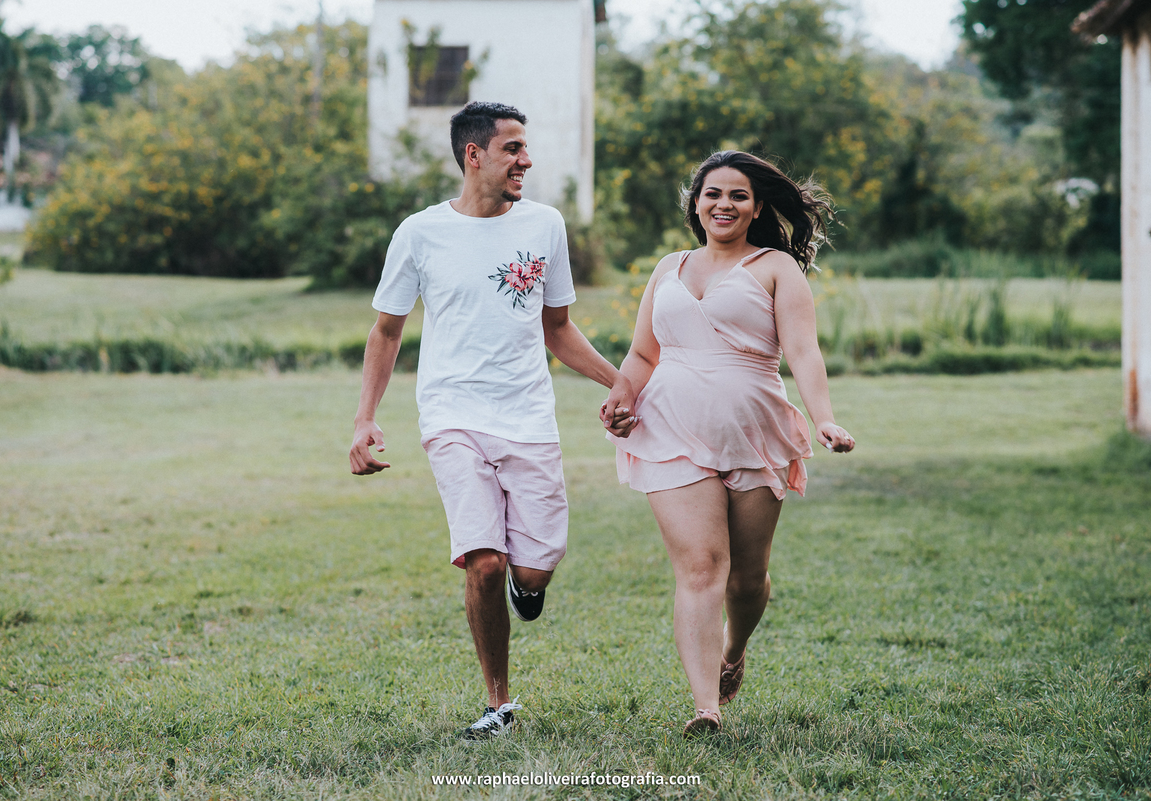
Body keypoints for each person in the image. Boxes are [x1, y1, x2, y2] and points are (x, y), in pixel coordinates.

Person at [349, 101, 634, 740]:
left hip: (528, 417)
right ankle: (499, 703)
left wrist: (626, 386)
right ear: (473, 154)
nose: (526, 160)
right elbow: (386, 330)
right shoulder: (419, 233)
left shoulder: (545, 225)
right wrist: (365, 420)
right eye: (513, 149)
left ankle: (526, 587)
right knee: (484, 561)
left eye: (525, 149)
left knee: (528, 572)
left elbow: (558, 330)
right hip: (451, 413)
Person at [602, 150, 855, 736]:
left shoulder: (775, 268)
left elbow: (803, 350)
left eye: (738, 195)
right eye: (712, 193)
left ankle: (734, 649)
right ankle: (705, 707)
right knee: (699, 567)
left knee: (745, 578)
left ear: (757, 206)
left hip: (754, 430)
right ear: (696, 203)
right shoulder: (669, 267)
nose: (724, 204)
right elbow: (643, 354)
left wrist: (824, 417)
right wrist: (622, 397)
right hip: (668, 429)